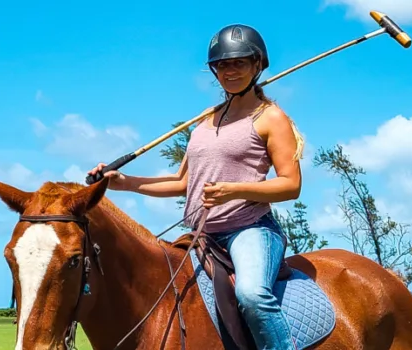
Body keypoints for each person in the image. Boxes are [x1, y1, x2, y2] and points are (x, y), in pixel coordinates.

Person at [88, 23, 303, 350]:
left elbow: (291, 185)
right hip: (202, 235)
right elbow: (182, 183)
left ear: (258, 65)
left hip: (250, 230)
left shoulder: (271, 117)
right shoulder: (207, 118)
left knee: (253, 295)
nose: (229, 71)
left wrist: (235, 190)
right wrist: (124, 183)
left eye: (239, 62)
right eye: (221, 65)